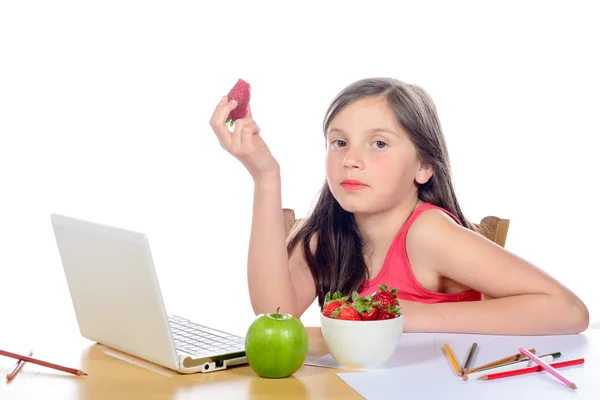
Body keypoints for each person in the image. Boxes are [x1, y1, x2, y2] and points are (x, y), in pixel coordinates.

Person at [208, 77, 589, 335]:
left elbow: (569, 311)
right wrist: (265, 177)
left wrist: (410, 314)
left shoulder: (429, 234)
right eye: (339, 142)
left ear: (423, 166)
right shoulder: (329, 236)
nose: (350, 159)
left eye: (379, 144)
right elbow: (274, 312)